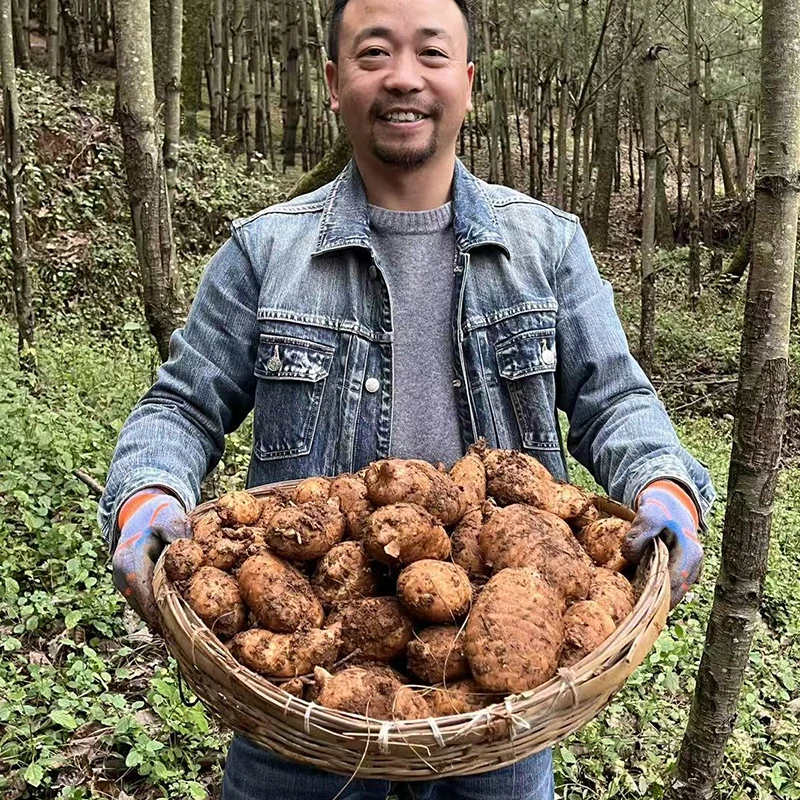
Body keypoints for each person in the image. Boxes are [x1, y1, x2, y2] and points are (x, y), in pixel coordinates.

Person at [100, 0, 715, 797]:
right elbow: (181, 407)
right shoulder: (266, 252)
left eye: (430, 53)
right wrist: (144, 499)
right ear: (333, 82)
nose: (402, 77)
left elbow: (614, 397)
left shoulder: (545, 245)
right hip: (306, 694)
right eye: (373, 53)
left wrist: (665, 486)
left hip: (499, 706)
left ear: (465, 82)